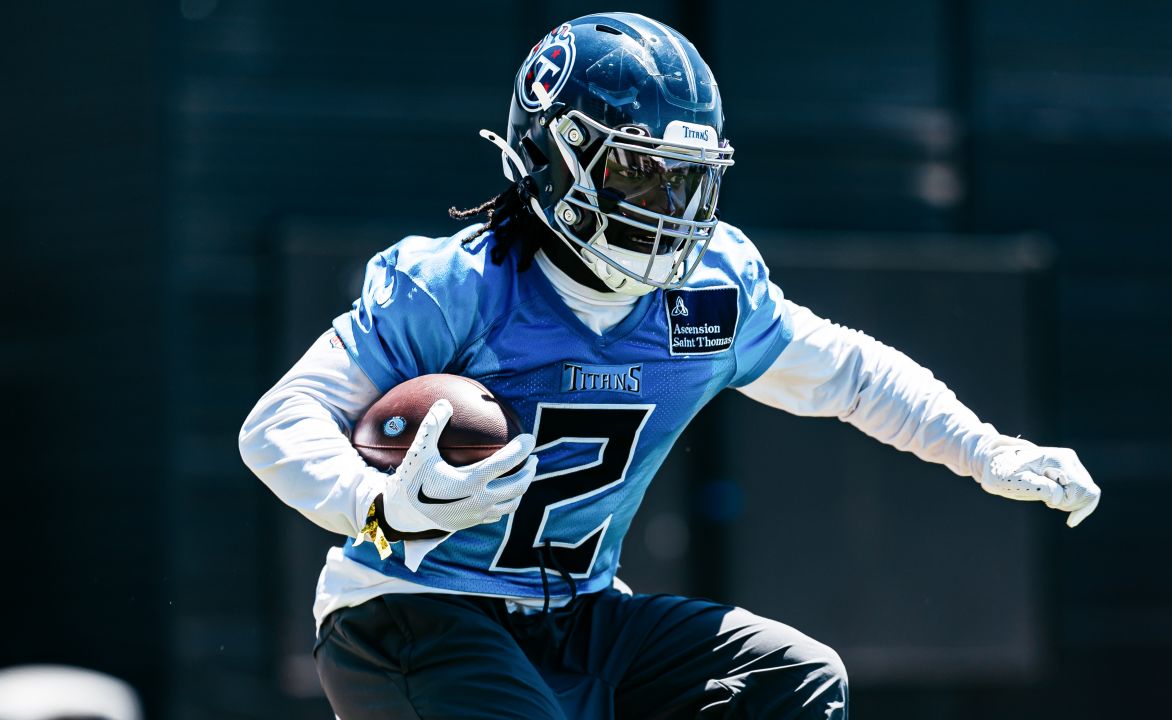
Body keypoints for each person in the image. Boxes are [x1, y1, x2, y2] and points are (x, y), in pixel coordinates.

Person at [238, 12, 1100, 719]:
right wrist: (379, 505)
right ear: (552, 154)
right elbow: (276, 425)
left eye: (686, 180)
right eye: (642, 175)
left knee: (794, 684)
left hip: (580, 615)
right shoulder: (460, 286)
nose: (672, 211)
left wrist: (987, 449)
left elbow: (852, 374)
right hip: (412, 610)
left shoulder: (712, 290)